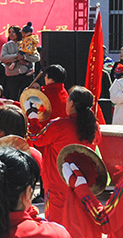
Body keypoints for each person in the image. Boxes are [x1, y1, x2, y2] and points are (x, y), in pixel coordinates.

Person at [28, 86, 99, 226]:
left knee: (56, 227)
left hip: (57, 186)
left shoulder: (60, 125)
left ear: (71, 103)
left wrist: (32, 117)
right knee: (77, 228)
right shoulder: (94, 128)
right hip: (81, 185)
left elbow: (36, 138)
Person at [1, 26, 36, 101]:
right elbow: (3, 58)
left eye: (13, 32)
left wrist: (24, 57)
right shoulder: (6, 46)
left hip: (26, 74)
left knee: (26, 97)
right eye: (10, 32)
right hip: (12, 75)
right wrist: (16, 56)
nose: (11, 34)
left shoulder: (26, 43)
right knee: (13, 96)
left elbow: (36, 57)